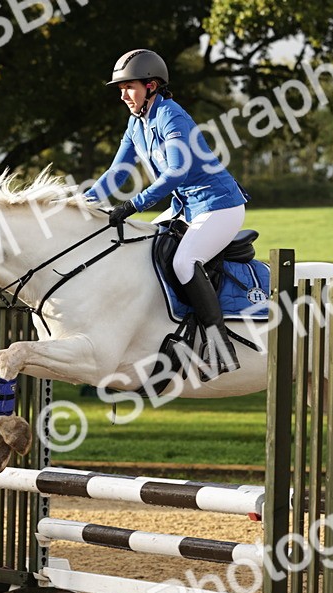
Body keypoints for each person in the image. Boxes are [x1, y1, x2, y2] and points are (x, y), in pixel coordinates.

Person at [84, 49, 247, 378]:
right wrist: (80, 203)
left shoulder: (170, 116)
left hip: (219, 205)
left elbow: (176, 173)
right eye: (120, 89)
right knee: (140, 250)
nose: (123, 96)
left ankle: (219, 345)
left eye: (129, 87)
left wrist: (134, 204)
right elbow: (117, 173)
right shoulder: (136, 123)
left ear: (152, 85)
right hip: (185, 208)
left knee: (183, 262)